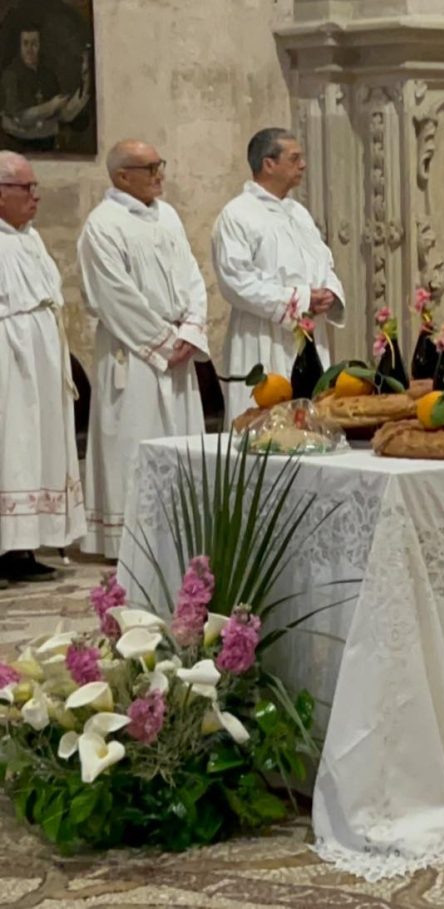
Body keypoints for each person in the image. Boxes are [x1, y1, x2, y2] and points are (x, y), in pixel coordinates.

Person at [77, 140, 209, 559]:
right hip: (133, 353)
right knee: (134, 441)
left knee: (182, 443)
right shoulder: (102, 225)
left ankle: (183, 533)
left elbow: (191, 273)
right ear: (121, 176)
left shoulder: (167, 216)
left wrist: (191, 327)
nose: (160, 174)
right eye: (149, 167)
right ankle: (129, 539)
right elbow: (115, 296)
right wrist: (165, 342)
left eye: (159, 164)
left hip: (177, 347)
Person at [212, 128, 345, 423]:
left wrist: (330, 293)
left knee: (314, 421)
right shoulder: (237, 215)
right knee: (266, 429)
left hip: (308, 334)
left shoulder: (298, 213)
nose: (303, 165)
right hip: (262, 334)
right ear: (268, 163)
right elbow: (236, 281)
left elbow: (324, 260)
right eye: (294, 158)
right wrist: (300, 299)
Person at [0, 151, 85, 583]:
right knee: (10, 450)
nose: (36, 195)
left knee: (35, 451)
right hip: (7, 366)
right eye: (25, 187)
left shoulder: (30, 238)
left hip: (40, 364)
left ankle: (21, 548)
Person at [1, 27, 90, 152]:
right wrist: (51, 106)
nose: (29, 49)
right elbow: (19, 117)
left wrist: (82, 93)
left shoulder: (48, 75)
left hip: (48, 146)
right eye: (25, 43)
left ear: (40, 45)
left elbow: (62, 116)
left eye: (34, 44)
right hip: (19, 147)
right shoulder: (11, 75)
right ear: (19, 46)